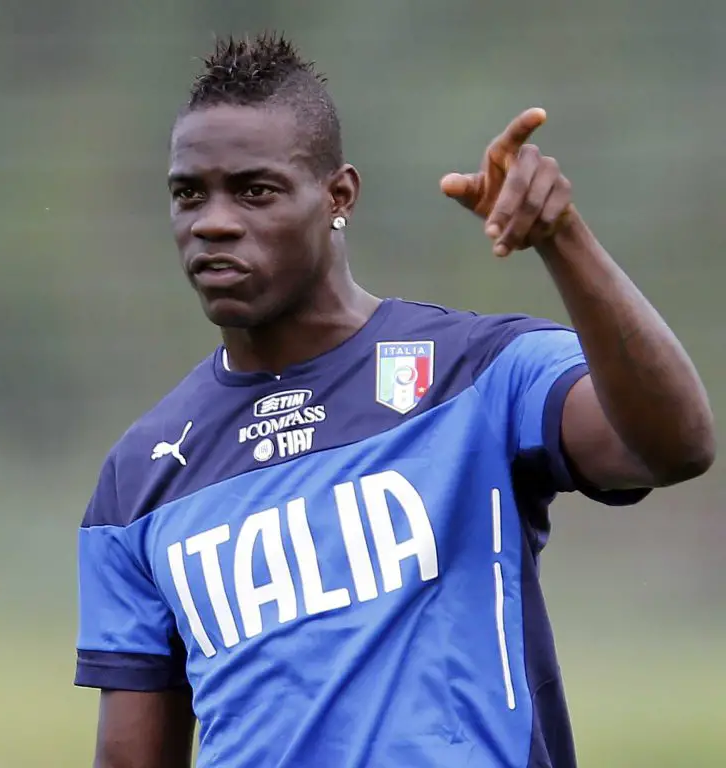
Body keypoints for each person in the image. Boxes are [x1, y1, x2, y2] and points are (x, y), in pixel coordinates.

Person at [72, 33, 715, 768]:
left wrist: (563, 239)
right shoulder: (138, 479)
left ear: (338, 195)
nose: (212, 221)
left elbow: (675, 446)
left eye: (255, 191)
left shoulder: (479, 373)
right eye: (189, 193)